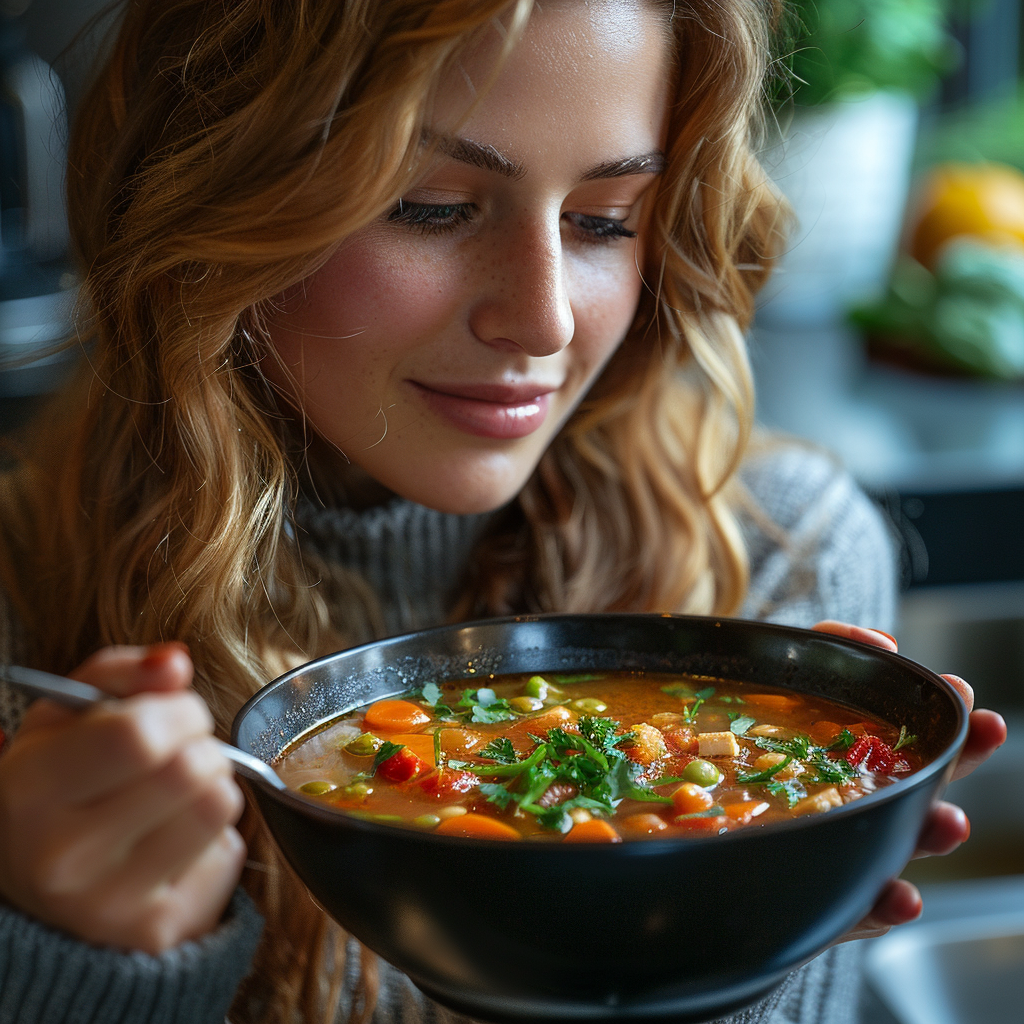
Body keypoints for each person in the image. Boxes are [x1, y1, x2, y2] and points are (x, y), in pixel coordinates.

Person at [0, 1, 1006, 1023]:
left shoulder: (775, 550)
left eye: (604, 220)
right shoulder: (23, 619)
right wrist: (74, 965)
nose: (543, 318)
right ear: (211, 198)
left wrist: (714, 965)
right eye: (432, 206)